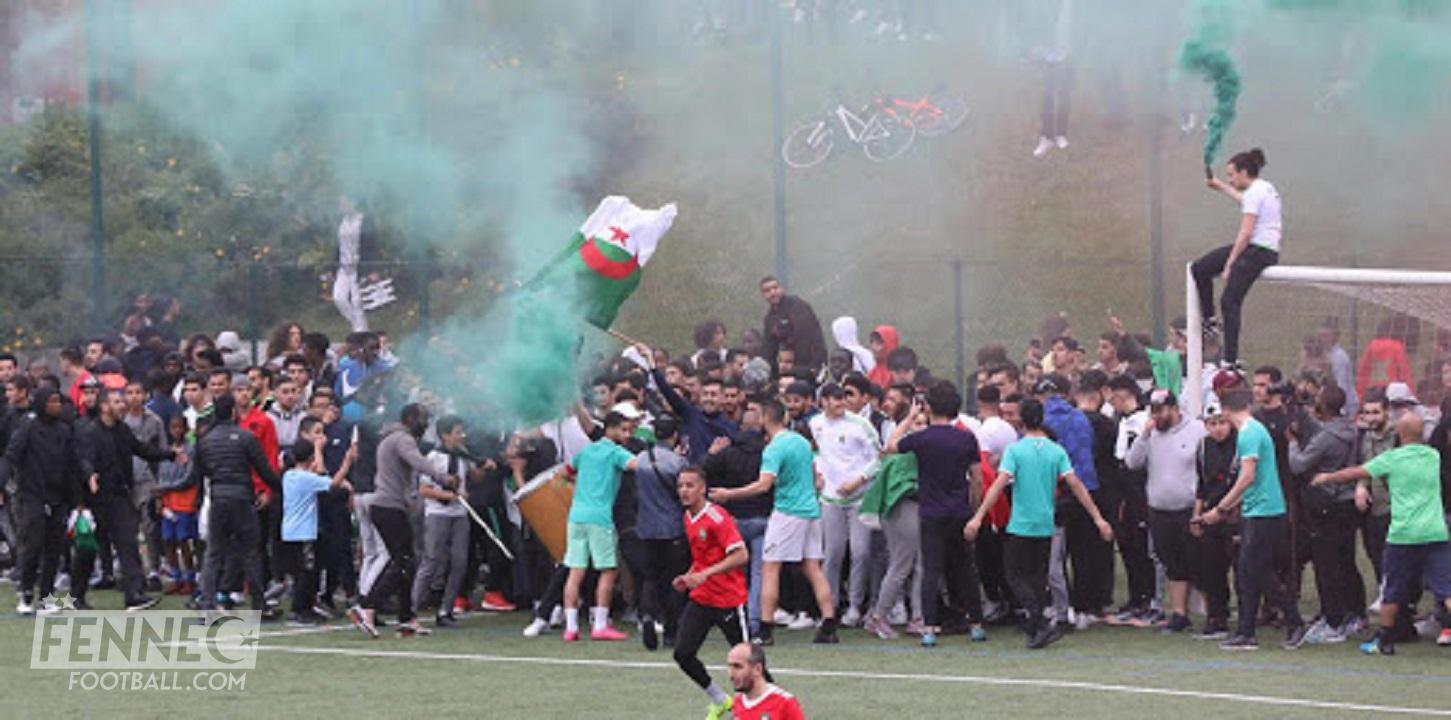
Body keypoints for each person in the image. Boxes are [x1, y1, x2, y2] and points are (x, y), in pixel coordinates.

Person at [968, 397, 1112, 649]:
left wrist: (979, 515)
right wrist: (1097, 517)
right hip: (1046, 523)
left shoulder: (1016, 450)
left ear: (1022, 420)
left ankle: (1038, 620)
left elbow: (999, 486)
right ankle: (1038, 629)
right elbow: (1076, 485)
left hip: (1022, 524)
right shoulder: (1056, 450)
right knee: (1037, 577)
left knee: (1013, 575)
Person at [1313, 412, 1451, 656]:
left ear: (1400, 433)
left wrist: (1327, 477)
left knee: (1392, 588)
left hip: (1403, 534)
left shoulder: (1392, 459)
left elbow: (1356, 472)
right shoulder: (1433, 456)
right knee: (1446, 588)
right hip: (1435, 532)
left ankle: (1385, 638)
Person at [709, 399, 838, 646]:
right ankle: (829, 623)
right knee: (813, 568)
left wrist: (729, 494)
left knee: (770, 567)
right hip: (811, 510)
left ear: (765, 418)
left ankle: (765, 628)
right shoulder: (801, 441)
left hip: (788, 512)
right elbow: (813, 474)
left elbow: (763, 485)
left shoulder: (774, 448)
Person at [1197, 384, 1309, 651]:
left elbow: (1246, 477)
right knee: (1253, 572)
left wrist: (1221, 509)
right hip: (1257, 509)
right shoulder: (1253, 431)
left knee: (1252, 571)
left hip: (1265, 511)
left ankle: (1287, 622)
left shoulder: (1248, 433)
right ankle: (1252, 630)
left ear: (1226, 410)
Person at [886, 381, 988, 647]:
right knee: (966, 568)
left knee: (931, 569)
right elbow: (976, 479)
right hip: (959, 510)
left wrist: (909, 417)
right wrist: (974, 510)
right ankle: (976, 623)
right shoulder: (966, 437)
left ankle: (929, 626)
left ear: (928, 406)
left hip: (931, 512)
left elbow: (891, 445)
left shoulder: (923, 438)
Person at [350, 403, 456, 638]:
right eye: (424, 419)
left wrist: (408, 496)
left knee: (406, 562)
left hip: (389, 505)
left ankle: (407, 618)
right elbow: (418, 462)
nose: (427, 424)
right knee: (403, 562)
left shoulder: (391, 438)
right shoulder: (402, 439)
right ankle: (367, 605)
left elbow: (401, 472)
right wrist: (444, 478)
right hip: (388, 507)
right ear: (411, 418)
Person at [73, 387, 179, 610]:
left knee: (127, 543)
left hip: (120, 496)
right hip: (96, 499)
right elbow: (84, 459)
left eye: (122, 401)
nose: (123, 405)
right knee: (89, 548)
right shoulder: (90, 432)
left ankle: (133, 594)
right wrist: (89, 475)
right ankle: (77, 596)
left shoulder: (122, 430)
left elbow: (141, 449)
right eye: (117, 401)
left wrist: (169, 454)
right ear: (104, 406)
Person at [186, 393, 282, 615]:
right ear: (233, 411)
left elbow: (195, 476)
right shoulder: (246, 438)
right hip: (241, 498)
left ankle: (207, 603)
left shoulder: (205, 440)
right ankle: (259, 602)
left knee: (214, 553)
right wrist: (280, 488)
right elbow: (265, 471)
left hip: (218, 498)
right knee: (250, 550)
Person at [1287, 385, 1365, 643]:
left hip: (1326, 505)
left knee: (1326, 564)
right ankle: (1355, 613)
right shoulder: (1350, 430)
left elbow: (1298, 465)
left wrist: (1292, 444)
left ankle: (1333, 621)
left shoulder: (1326, 437)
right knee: (1346, 561)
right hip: (1346, 502)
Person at [1125, 389, 1206, 633]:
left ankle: (1216, 614)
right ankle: (1179, 613)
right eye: (1153, 411)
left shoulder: (1196, 430)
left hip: (1189, 508)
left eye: (1161, 411)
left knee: (1200, 562)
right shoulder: (1151, 434)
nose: (1156, 416)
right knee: (1172, 563)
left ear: (1174, 409)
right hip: (1160, 509)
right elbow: (1132, 462)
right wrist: (1144, 435)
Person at [672, 467, 750, 720]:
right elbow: (703, 557)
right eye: (681, 485)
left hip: (729, 599)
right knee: (682, 653)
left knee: (750, 664)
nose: (684, 490)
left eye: (690, 485)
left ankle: (769, 710)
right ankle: (721, 700)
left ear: (703, 488)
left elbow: (741, 555)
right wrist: (690, 575)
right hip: (703, 598)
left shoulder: (717, 517)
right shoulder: (688, 516)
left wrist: (705, 574)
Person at [1192, 148, 1281, 369]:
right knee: (1200, 268)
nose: (1231, 180)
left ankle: (1230, 360)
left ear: (1243, 172)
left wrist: (1230, 264)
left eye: (1232, 175)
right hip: (1254, 247)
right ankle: (1210, 320)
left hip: (1259, 251)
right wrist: (1220, 186)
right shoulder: (1263, 187)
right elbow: (1244, 200)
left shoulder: (1255, 192)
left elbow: (1246, 233)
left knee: (1230, 300)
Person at [1, 387, 82, 614]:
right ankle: (26, 593)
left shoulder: (64, 431)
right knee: (32, 546)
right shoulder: (27, 429)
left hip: (57, 498)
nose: (57, 406)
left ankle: (46, 595)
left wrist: (78, 500)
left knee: (54, 549)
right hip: (32, 497)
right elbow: (10, 457)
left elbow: (72, 466)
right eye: (53, 402)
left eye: (58, 401)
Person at [561, 411, 640, 642]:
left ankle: (571, 627)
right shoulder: (615, 452)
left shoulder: (586, 451)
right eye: (623, 430)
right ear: (611, 429)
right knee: (608, 570)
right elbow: (636, 465)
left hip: (576, 516)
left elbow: (565, 472)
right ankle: (601, 625)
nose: (627, 435)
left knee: (575, 571)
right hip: (600, 518)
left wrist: (581, 484)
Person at [809, 382, 882, 628]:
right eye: (835, 399)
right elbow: (817, 453)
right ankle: (829, 608)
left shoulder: (860, 425)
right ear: (824, 402)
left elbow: (879, 458)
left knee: (860, 552)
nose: (841, 403)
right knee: (832, 554)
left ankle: (854, 605)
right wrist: (819, 474)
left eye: (842, 398)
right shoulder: (815, 424)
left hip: (859, 498)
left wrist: (858, 480)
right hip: (830, 499)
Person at [703, 399, 772, 637]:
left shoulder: (727, 452)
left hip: (733, 520)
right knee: (760, 574)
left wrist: (712, 454)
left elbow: (702, 472)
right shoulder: (768, 452)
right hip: (763, 518)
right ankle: (754, 621)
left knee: (730, 572)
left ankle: (728, 615)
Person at [411, 415, 480, 629]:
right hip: (437, 514)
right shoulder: (433, 457)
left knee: (459, 562)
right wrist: (450, 496)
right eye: (458, 432)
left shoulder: (463, 456)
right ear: (445, 435)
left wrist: (481, 466)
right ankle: (411, 609)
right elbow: (423, 489)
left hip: (460, 514)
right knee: (431, 560)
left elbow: (473, 478)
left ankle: (446, 610)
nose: (462, 436)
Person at [280, 432, 355, 625]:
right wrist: (346, 463)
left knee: (305, 572)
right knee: (306, 573)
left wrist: (316, 451)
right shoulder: (306, 479)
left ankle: (306, 607)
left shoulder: (289, 475)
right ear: (311, 458)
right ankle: (298, 610)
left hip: (289, 530)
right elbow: (333, 483)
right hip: (304, 531)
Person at [631, 414, 691, 650]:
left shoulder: (641, 460)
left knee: (650, 577)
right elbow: (685, 493)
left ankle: (647, 614)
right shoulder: (678, 463)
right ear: (674, 435)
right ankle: (671, 631)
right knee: (675, 580)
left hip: (646, 527)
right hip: (673, 527)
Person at [1191, 399, 1238, 640]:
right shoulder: (1203, 447)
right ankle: (1216, 617)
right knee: (1211, 569)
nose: (1218, 428)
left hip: (1234, 514)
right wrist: (1196, 515)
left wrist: (1226, 509)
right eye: (1212, 423)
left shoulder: (1240, 443)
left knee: (1242, 569)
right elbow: (1202, 484)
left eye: (1221, 422)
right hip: (1210, 515)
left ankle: (1247, 618)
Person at [155, 413, 199, 596]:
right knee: (168, 540)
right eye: (173, 427)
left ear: (186, 429)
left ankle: (190, 578)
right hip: (168, 503)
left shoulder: (190, 451)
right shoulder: (165, 450)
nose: (176, 431)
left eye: (180, 427)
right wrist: (159, 498)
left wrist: (165, 487)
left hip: (184, 502)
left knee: (184, 540)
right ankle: (176, 577)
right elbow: (161, 473)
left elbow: (188, 478)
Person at [760, 276, 828, 373]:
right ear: (763, 295)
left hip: (809, 364)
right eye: (767, 290)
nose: (772, 292)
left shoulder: (797, 306)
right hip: (788, 366)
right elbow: (769, 347)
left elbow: (805, 339)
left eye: (775, 288)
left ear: (781, 288)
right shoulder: (770, 318)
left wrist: (802, 369)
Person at [727, 643, 803, 720]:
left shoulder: (785, 703)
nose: (731, 674)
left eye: (738, 666)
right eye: (729, 666)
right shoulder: (738, 701)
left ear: (757, 669)